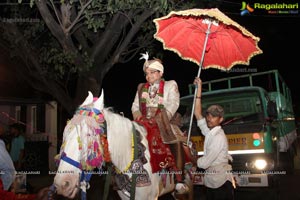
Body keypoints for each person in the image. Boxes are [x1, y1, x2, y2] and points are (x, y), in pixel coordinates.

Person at [131, 52, 188, 194]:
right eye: (146, 73)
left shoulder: (170, 84)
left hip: (164, 122)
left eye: (151, 72)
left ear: (160, 72)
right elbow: (135, 106)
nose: (148, 76)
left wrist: (161, 118)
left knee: (175, 141)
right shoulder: (141, 88)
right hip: (143, 122)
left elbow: (174, 103)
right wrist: (139, 117)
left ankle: (179, 179)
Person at [193, 77, 235, 200]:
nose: (209, 118)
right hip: (212, 181)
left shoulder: (218, 137)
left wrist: (191, 159)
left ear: (221, 119)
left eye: (214, 116)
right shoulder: (210, 133)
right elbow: (197, 114)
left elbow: (205, 163)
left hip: (220, 183)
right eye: (209, 115)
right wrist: (199, 90)